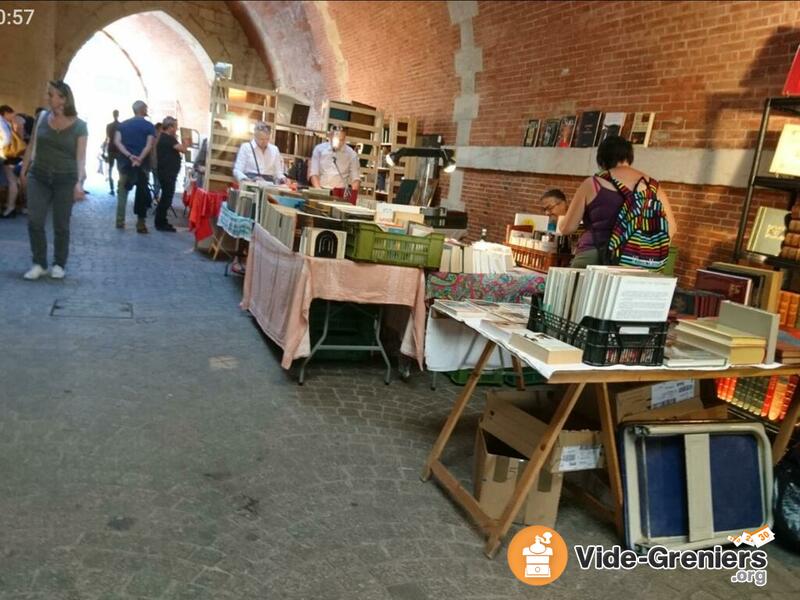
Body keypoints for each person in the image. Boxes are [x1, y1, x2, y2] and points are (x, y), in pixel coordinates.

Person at [558, 135, 677, 268]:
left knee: (573, 288)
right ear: (629, 157)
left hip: (595, 256)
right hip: (637, 263)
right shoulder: (654, 187)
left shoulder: (593, 183)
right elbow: (671, 229)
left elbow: (567, 228)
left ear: (602, 160)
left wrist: (561, 221)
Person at [18, 80, 87, 280]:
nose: (48, 98)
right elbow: (31, 145)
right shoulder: (41, 118)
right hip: (39, 175)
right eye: (49, 94)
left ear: (63, 99)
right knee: (34, 220)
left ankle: (59, 263)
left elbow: (80, 156)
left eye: (52, 95)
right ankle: (39, 262)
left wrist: (79, 182)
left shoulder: (80, 126)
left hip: (65, 178)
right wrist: (24, 170)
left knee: (61, 224)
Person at [114, 100, 155, 232]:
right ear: (142, 110)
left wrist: (130, 156)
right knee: (141, 194)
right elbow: (149, 145)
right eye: (146, 108)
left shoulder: (123, 125)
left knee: (122, 192)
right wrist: (140, 158)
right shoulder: (149, 126)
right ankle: (140, 224)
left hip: (125, 164)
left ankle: (120, 221)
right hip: (142, 166)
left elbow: (117, 142)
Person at [309, 125, 360, 202]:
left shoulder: (351, 154)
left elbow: (355, 179)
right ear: (330, 137)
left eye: (342, 140)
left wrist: (352, 199)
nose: (339, 143)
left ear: (345, 138)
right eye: (336, 139)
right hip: (321, 189)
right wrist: (319, 192)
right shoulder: (319, 149)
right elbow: (314, 173)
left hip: (340, 193)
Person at [154, 116, 187, 232]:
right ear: (170, 127)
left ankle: (161, 221)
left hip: (165, 172)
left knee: (166, 197)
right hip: (167, 173)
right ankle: (160, 223)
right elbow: (183, 149)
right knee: (166, 198)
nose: (176, 129)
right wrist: (186, 142)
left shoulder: (163, 137)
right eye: (175, 127)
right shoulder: (169, 139)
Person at [1, 105, 25, 218]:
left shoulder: (3, 122)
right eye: (11, 113)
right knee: (12, 181)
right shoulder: (5, 122)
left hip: (8, 155)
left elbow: (6, 139)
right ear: (5, 113)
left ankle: (10, 208)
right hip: (11, 155)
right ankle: (10, 206)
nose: (13, 116)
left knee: (11, 181)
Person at [105, 109, 121, 195]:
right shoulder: (121, 125)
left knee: (110, 169)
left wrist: (104, 148)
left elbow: (107, 137)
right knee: (119, 170)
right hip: (118, 149)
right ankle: (119, 187)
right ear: (118, 115)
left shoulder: (109, 126)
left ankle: (112, 189)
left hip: (111, 148)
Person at [150, 122, 163, 201]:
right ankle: (155, 197)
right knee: (158, 181)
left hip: (153, 162)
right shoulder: (159, 138)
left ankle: (155, 196)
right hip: (157, 162)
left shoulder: (152, 137)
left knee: (156, 180)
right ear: (159, 129)